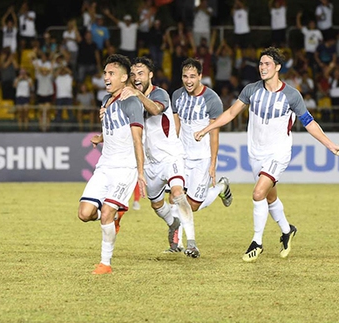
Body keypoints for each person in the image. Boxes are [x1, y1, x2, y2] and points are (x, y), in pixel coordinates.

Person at [194, 47, 339, 262]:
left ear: (278, 67)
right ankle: (287, 230)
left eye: (267, 64)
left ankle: (257, 242)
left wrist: (330, 145)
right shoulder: (251, 90)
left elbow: (309, 123)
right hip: (256, 154)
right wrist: (206, 129)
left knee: (258, 194)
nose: (262, 67)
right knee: (269, 195)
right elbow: (229, 113)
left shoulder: (292, 95)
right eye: (261, 63)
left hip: (278, 153)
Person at [121, 56, 201, 255]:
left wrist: (137, 95)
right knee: (156, 203)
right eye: (133, 74)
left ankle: (191, 243)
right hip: (150, 163)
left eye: (140, 73)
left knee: (177, 194)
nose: (136, 77)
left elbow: (156, 110)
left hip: (171, 156)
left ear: (150, 75)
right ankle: (173, 224)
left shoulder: (160, 93)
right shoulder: (130, 99)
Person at [78, 54, 146, 275]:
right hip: (104, 167)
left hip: (125, 169)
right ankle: (114, 216)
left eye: (111, 73)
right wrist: (101, 137)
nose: (105, 77)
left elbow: (137, 139)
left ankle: (105, 263)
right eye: (105, 73)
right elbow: (116, 131)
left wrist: (141, 173)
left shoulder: (132, 102)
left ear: (124, 77)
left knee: (105, 213)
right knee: (85, 213)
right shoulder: (106, 102)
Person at [170, 58, 233, 231]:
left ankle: (221, 186)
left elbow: (214, 134)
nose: (188, 81)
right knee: (175, 199)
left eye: (192, 76)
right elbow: (176, 126)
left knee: (193, 205)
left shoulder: (212, 99)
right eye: (185, 77)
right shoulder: (176, 96)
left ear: (200, 76)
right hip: (182, 156)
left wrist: (212, 163)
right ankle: (177, 245)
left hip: (202, 158)